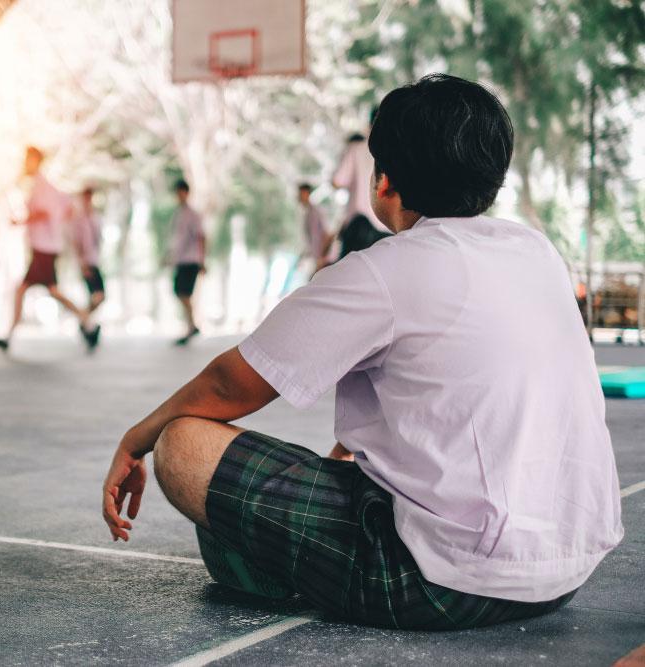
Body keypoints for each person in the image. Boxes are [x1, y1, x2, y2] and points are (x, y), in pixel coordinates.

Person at [102, 74, 623, 630]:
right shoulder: (534, 251)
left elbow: (231, 385)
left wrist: (138, 438)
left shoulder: (386, 270)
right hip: (562, 573)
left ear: (383, 182)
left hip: (438, 582)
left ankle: (288, 570)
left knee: (185, 443)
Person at [0, 147, 99, 352]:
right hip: (45, 247)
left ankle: (9, 337)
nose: (24, 164)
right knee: (48, 290)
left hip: (44, 248)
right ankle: (87, 323)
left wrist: (22, 221)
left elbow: (43, 212)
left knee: (27, 289)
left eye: (27, 160)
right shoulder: (43, 185)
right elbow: (66, 207)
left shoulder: (42, 185)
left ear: (35, 161)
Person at [327, 111, 392, 259]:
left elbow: (337, 181)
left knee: (348, 276)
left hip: (358, 226)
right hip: (387, 229)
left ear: (370, 125)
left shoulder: (357, 148)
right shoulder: (398, 154)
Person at [167, 179, 205, 346]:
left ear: (186, 193)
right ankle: (192, 325)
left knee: (184, 293)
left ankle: (192, 325)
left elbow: (201, 237)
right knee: (180, 292)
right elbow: (176, 240)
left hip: (191, 260)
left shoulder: (193, 215)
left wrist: (202, 260)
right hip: (181, 260)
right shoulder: (178, 214)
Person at [72, 186, 105, 317]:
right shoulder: (79, 220)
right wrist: (82, 264)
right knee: (98, 295)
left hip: (95, 260)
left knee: (98, 296)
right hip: (87, 262)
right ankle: (83, 318)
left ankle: (84, 318)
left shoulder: (96, 217)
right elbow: (77, 244)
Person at [297, 182, 327, 275]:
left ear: (306, 193)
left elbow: (324, 235)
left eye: (300, 193)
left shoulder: (314, 212)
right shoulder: (308, 213)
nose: (298, 197)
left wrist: (321, 259)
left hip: (320, 259)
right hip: (315, 259)